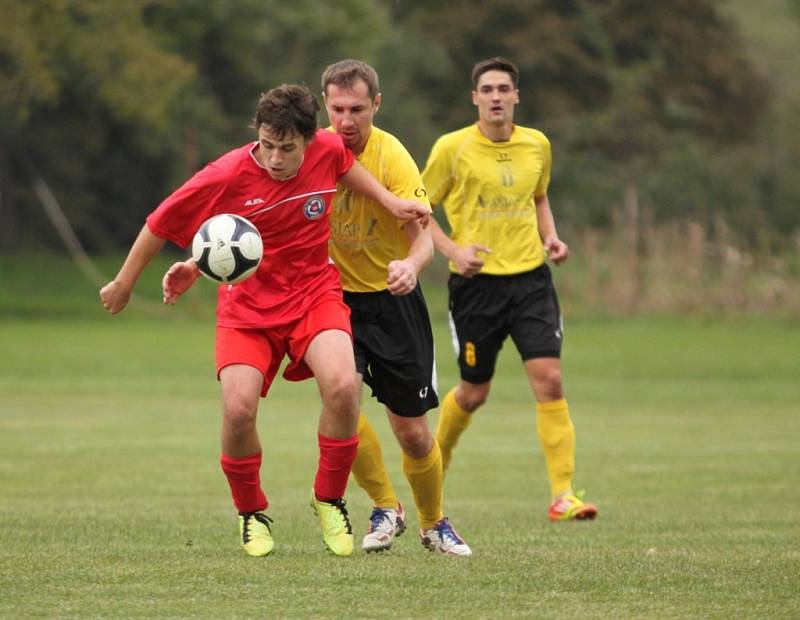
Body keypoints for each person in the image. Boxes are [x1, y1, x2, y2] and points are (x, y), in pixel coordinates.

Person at [100, 84, 429, 558]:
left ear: (310, 140)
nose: (275, 158)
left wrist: (391, 202)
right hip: (247, 308)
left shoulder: (329, 148)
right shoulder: (228, 173)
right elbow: (159, 221)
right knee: (238, 411)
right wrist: (125, 283)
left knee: (341, 387)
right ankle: (251, 512)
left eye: (287, 148)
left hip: (315, 292)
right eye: (267, 144)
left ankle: (329, 499)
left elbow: (347, 168)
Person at [421, 57, 598, 522]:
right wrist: (452, 250)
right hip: (476, 287)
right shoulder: (452, 148)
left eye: (504, 88)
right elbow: (418, 209)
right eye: (487, 89)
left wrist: (551, 237)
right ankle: (432, 464)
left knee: (551, 380)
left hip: (531, 282)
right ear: (474, 98)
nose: (496, 96)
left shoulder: (537, 144)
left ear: (516, 96)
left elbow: (538, 196)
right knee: (474, 392)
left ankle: (563, 496)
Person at [321, 59, 471, 556]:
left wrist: (410, 265)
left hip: (392, 303)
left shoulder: (394, 158)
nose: (346, 120)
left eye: (357, 109)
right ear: (326, 105)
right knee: (340, 401)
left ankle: (434, 522)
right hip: (333, 302)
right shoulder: (313, 153)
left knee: (410, 431)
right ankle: (386, 507)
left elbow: (423, 238)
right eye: (337, 108)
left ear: (376, 105)